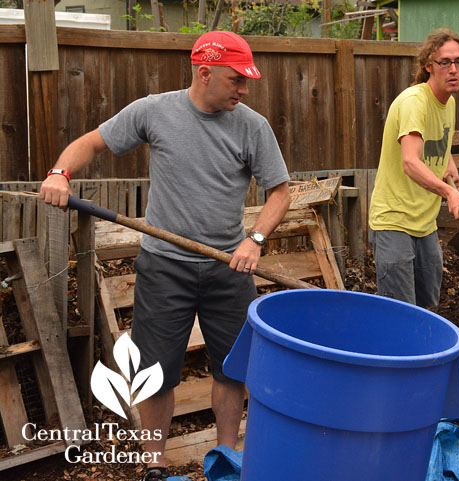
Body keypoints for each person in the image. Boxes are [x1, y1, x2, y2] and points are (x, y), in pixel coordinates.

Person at [39, 31, 290, 481]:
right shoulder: (154, 111)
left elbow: (280, 191)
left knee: (232, 368)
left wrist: (254, 239)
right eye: (236, 80)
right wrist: (60, 172)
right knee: (156, 371)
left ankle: (226, 459)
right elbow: (91, 143)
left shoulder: (252, 125)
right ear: (205, 72)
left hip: (226, 267)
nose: (244, 90)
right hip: (163, 265)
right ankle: (155, 465)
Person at [368, 28, 459, 309]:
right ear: (429, 66)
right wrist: (448, 193)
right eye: (445, 62)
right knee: (400, 314)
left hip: (424, 223)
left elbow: (438, 139)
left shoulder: (447, 101)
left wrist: (447, 159)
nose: (453, 69)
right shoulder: (414, 102)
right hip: (394, 221)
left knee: (429, 307)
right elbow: (410, 162)